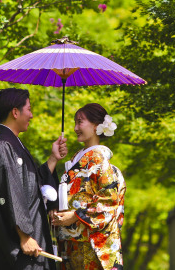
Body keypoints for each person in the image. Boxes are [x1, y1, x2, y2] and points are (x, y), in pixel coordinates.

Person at [0, 87, 68, 270]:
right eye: (29, 109)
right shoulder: (3, 145)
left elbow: (31, 185)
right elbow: (11, 192)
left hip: (32, 237)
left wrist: (53, 159)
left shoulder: (13, 143)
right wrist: (24, 236)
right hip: (21, 243)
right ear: (15, 112)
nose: (31, 115)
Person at [52, 103, 126, 270]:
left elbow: (110, 201)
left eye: (80, 122)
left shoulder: (99, 159)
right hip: (72, 240)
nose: (75, 128)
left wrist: (76, 215)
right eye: (75, 123)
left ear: (96, 126)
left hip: (90, 241)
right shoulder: (79, 158)